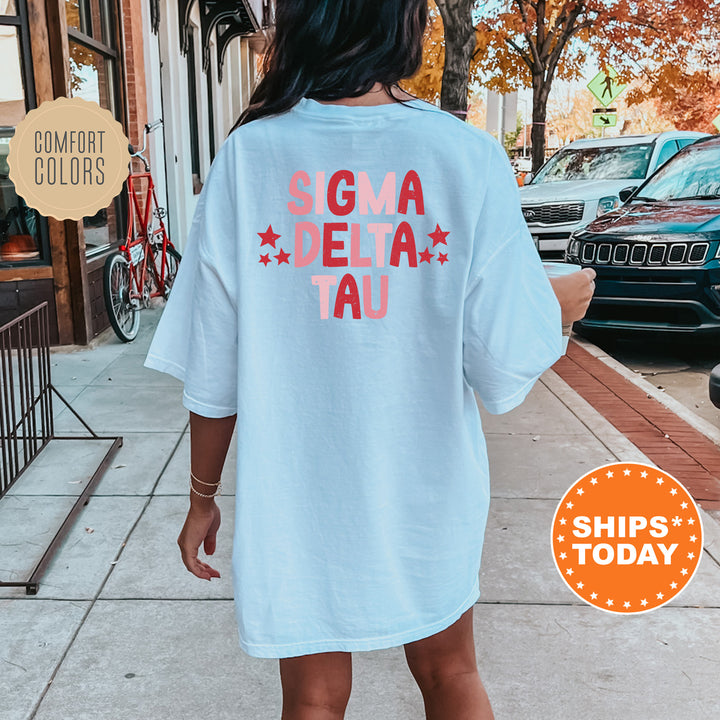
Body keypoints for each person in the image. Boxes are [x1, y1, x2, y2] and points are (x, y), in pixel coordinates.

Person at [143, 1, 596, 718]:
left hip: (298, 489)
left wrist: (202, 497)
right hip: (428, 482)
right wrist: (561, 306)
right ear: (405, 23)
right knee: (451, 673)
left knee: (314, 698)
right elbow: (503, 355)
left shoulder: (250, 156)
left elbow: (213, 361)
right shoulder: (465, 155)